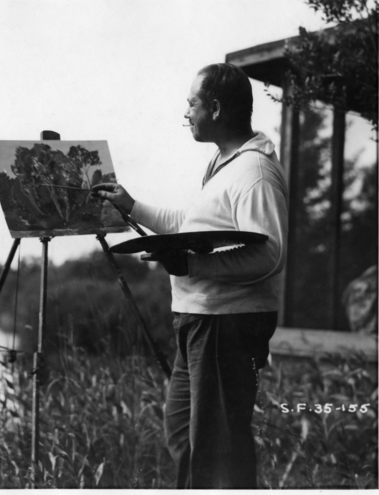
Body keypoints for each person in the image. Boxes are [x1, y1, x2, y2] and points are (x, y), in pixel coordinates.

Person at [92, 63, 288, 488]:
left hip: (227, 324)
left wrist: (193, 265)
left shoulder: (255, 172)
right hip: (201, 321)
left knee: (218, 449)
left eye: (191, 104)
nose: (186, 113)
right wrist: (133, 206)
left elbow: (270, 255)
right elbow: (192, 221)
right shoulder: (224, 163)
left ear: (215, 108)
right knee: (184, 434)